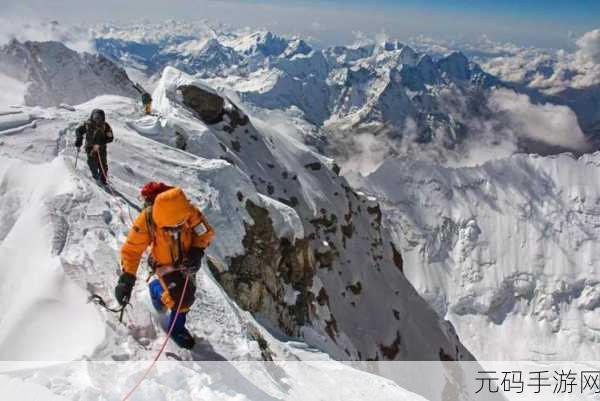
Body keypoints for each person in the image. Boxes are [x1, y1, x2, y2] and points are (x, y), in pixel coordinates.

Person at [115, 182, 215, 349]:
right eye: (170, 227)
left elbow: (204, 233)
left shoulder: (188, 211)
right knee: (183, 299)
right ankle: (176, 329)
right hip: (164, 264)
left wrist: (197, 251)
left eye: (179, 225)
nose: (175, 229)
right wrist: (127, 278)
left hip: (187, 260)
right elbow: (132, 250)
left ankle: (156, 289)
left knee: (188, 291)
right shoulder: (147, 219)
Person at [75, 109, 113, 185]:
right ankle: (96, 178)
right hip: (90, 147)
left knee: (102, 165)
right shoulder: (87, 124)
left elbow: (110, 138)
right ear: (92, 116)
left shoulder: (106, 126)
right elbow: (78, 130)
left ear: (103, 117)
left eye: (99, 117)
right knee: (91, 161)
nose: (97, 119)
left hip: (101, 148)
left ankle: (103, 180)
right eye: (95, 117)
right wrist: (79, 139)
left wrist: (100, 143)